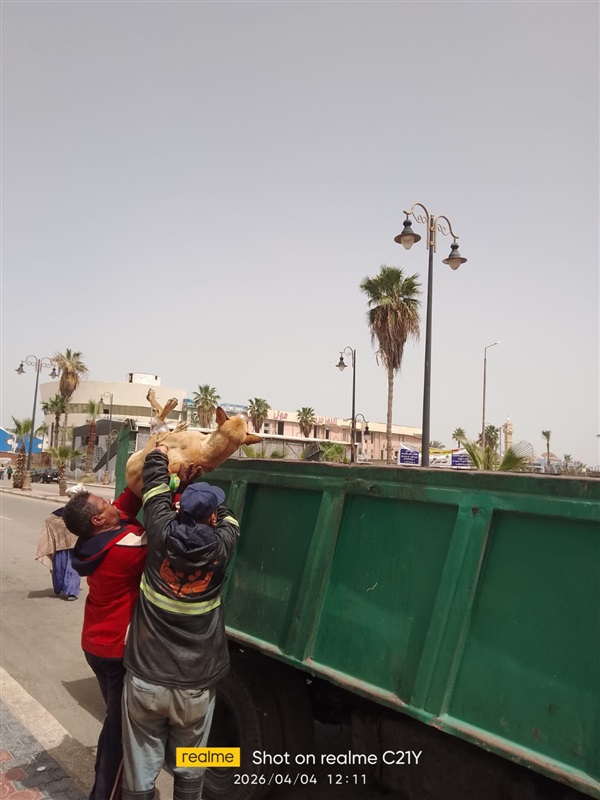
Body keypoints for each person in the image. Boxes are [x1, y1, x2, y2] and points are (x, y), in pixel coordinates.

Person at [121, 445, 240, 800]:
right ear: (212, 519)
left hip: (146, 678)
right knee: (191, 764)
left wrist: (160, 454)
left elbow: (155, 489)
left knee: (141, 763)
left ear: (180, 511)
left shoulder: (160, 532)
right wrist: (201, 491)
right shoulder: (223, 546)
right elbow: (230, 518)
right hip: (195, 685)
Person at [63, 486, 147, 800]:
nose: (112, 502)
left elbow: (126, 503)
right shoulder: (126, 548)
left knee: (114, 720)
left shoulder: (90, 543)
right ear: (98, 520)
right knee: (119, 732)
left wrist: (141, 478)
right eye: (104, 503)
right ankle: (105, 794)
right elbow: (168, 535)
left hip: (95, 644)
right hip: (117, 652)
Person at [35, 483, 85, 600]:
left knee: (68, 566)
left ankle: (70, 591)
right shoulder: (77, 512)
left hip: (71, 546)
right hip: (64, 546)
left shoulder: (67, 512)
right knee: (64, 565)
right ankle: (67, 589)